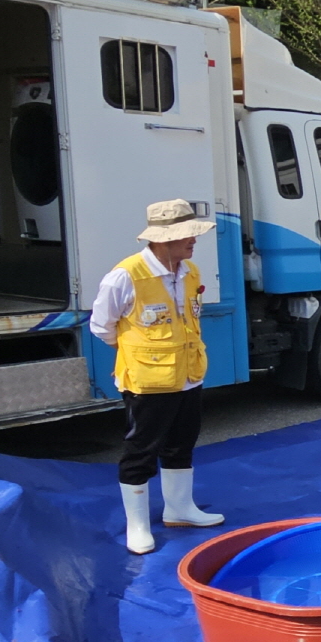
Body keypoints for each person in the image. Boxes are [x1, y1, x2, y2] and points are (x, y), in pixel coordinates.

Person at [90, 199, 223, 554]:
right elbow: (102, 326)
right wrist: (137, 353)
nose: (194, 240)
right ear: (163, 239)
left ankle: (180, 509)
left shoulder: (189, 271)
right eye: (187, 235)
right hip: (148, 383)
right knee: (141, 451)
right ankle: (137, 525)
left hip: (189, 376)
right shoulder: (126, 275)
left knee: (182, 443)